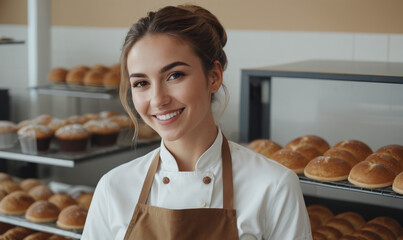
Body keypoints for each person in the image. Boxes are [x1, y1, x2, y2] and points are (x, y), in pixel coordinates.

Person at [82, 5, 312, 240]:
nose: (158, 100)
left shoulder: (274, 186)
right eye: (141, 83)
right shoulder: (114, 188)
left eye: (174, 75)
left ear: (214, 77)